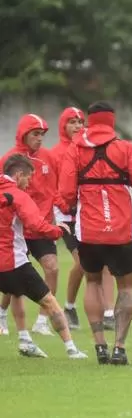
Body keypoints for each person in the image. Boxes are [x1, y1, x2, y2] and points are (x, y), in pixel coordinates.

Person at [57, 101, 132, 366]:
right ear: (112, 121)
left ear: (89, 121)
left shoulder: (75, 149)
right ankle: (119, 347)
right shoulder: (125, 148)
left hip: (89, 231)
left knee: (93, 282)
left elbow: (64, 194)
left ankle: (99, 345)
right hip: (122, 231)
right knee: (126, 286)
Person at [0, 155, 86, 359]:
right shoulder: (18, 195)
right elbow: (36, 225)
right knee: (50, 302)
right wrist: (58, 230)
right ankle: (72, 349)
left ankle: (25, 340)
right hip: (12, 261)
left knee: (15, 293)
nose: (29, 183)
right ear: (18, 174)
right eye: (28, 178)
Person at [49, 107, 116, 332]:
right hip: (67, 216)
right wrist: (66, 205)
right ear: (63, 126)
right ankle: (69, 306)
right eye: (72, 122)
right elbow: (53, 189)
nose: (78, 126)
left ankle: (108, 313)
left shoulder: (88, 148)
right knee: (82, 263)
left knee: (105, 262)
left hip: (89, 213)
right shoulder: (56, 153)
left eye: (80, 122)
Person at [0, 114, 62, 338]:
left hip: (41, 225)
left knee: (52, 267)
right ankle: (2, 313)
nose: (40, 139)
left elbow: (54, 188)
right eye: (35, 134)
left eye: (42, 135)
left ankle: (43, 320)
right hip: (16, 230)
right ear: (24, 134)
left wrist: (54, 216)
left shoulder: (48, 158)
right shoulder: (8, 158)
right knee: (13, 279)